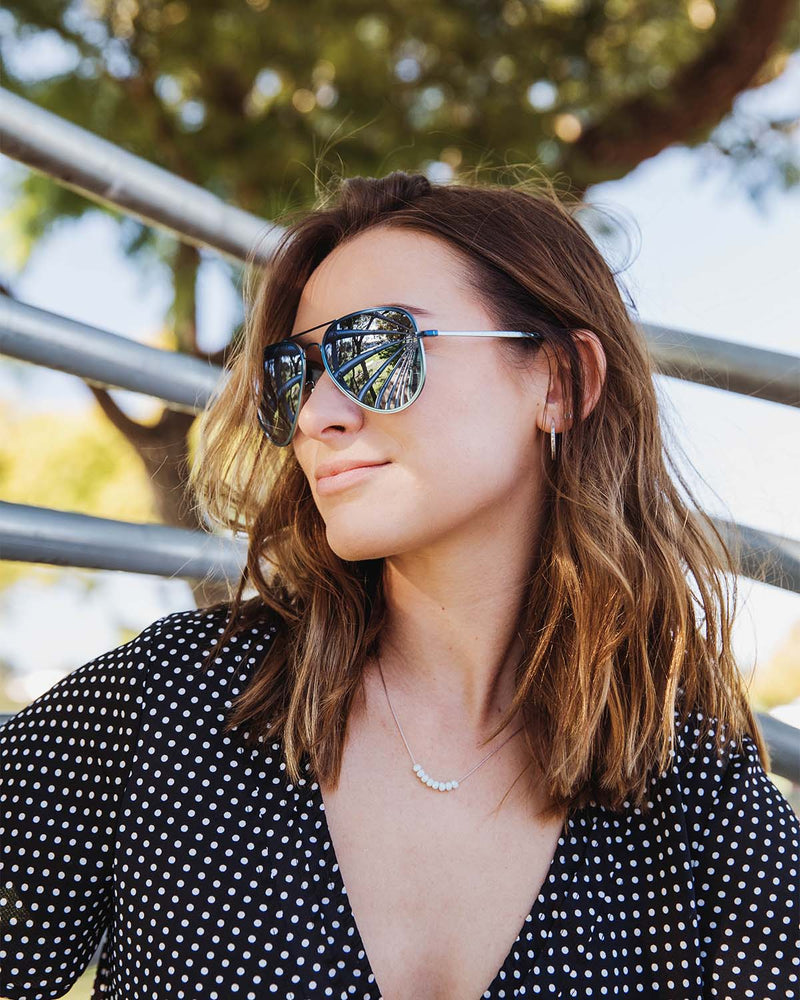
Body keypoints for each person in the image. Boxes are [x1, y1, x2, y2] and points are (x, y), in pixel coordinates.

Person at [1, 171, 798, 1000]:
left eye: (378, 349)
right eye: (294, 374)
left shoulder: (700, 797)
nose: (315, 414)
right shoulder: (175, 700)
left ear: (558, 380)